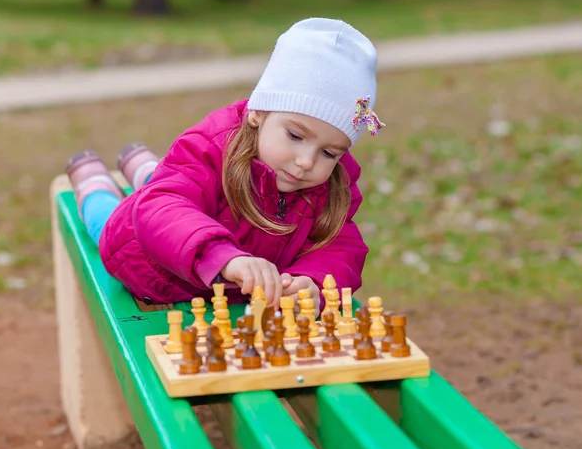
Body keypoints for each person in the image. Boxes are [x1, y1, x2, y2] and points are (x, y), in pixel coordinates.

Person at [64, 18, 384, 314]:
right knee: (114, 211)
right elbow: (162, 206)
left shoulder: (331, 186)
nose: (306, 161)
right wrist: (222, 257)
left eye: (329, 153)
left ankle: (144, 165)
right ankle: (92, 183)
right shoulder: (211, 146)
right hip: (144, 255)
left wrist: (312, 283)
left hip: (223, 295)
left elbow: (341, 247)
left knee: (163, 179)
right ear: (259, 111)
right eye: (295, 135)